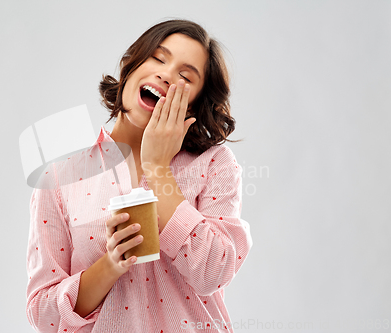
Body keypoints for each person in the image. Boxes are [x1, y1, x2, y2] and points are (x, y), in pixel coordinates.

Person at [26, 19, 253, 333]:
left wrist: (158, 169)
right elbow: (44, 314)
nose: (166, 74)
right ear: (130, 66)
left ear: (194, 104)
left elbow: (214, 272)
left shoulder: (215, 164)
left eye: (185, 76)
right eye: (159, 58)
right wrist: (109, 265)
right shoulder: (61, 176)